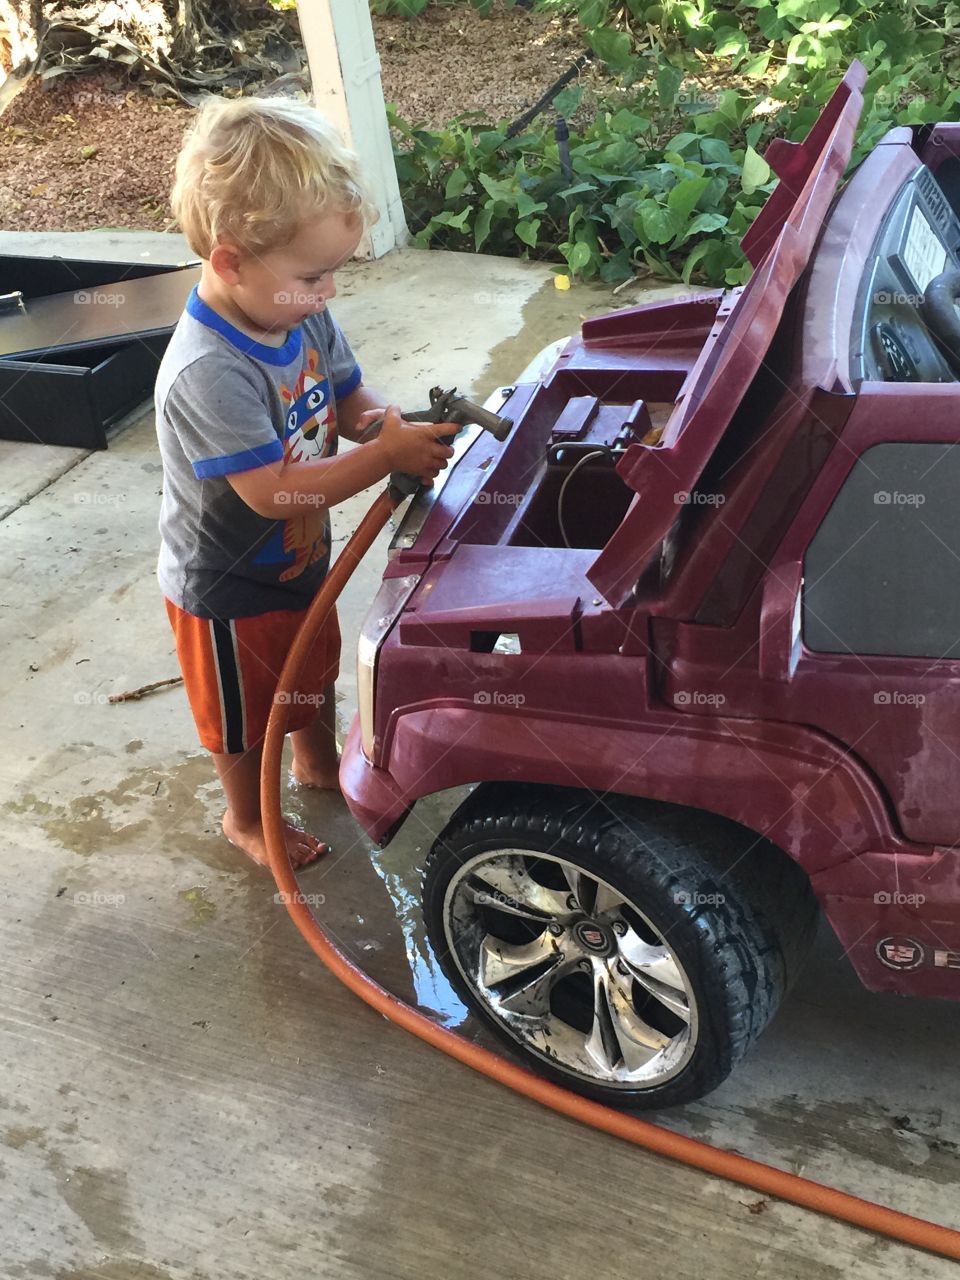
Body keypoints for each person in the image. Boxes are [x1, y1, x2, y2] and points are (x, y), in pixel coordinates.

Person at [155, 95, 454, 869]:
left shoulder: (296, 312)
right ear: (229, 261)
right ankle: (246, 820)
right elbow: (273, 489)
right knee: (245, 716)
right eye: (314, 275)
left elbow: (350, 397)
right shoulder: (208, 371)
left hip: (297, 554)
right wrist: (383, 458)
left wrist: (389, 426)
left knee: (310, 670)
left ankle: (315, 761)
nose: (328, 293)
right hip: (226, 584)